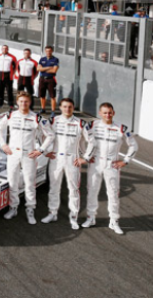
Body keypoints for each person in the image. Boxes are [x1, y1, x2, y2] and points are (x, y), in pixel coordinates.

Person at [0, 91, 55, 225]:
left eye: (26, 101)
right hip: (13, 154)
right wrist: (3, 145)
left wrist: (40, 150)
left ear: (30, 102)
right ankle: (13, 207)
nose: (23, 104)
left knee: (29, 183)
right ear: (17, 102)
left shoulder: (36, 118)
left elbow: (50, 135)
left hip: (29, 154)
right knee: (12, 182)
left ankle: (30, 209)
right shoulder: (10, 115)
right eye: (21, 101)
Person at [82, 102, 138, 235]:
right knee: (92, 192)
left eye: (110, 112)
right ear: (100, 113)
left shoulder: (122, 128)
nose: (107, 115)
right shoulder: (92, 126)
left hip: (112, 165)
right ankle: (90, 218)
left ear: (114, 113)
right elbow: (83, 141)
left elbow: (134, 145)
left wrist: (125, 161)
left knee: (113, 194)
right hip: (95, 164)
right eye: (105, 112)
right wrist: (87, 156)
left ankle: (114, 221)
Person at [41, 98, 92, 230]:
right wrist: (45, 151)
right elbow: (41, 135)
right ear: (60, 107)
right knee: (54, 188)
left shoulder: (80, 123)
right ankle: (52, 213)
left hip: (72, 160)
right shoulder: (53, 121)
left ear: (73, 107)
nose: (67, 109)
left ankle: (74, 217)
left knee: (74, 190)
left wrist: (84, 158)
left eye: (70, 107)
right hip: (55, 158)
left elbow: (92, 141)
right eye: (64, 106)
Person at [37, 46, 59, 114]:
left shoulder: (55, 59)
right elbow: (38, 69)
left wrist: (43, 69)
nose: (48, 52)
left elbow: (54, 70)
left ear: (52, 51)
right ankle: (43, 108)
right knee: (42, 95)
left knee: (52, 96)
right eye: (47, 51)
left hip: (51, 79)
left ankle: (53, 111)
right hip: (42, 79)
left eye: (49, 51)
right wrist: (49, 67)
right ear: (45, 51)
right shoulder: (42, 59)